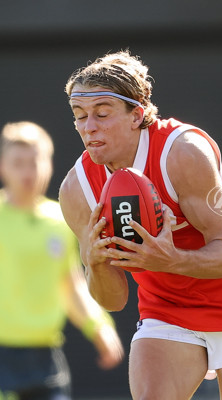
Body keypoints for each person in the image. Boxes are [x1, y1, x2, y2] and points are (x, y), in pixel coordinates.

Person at [58, 51, 222, 400]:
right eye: (79, 116)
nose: (88, 126)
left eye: (102, 114)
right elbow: (114, 300)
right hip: (167, 307)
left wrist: (171, 260)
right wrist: (95, 264)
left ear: (136, 115)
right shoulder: (76, 190)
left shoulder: (182, 151)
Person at [0, 121, 124, 399]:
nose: (27, 172)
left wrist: (99, 327)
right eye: (17, 163)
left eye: (34, 162)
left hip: (46, 359)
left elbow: (72, 285)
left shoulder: (60, 219)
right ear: (2, 166)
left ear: (49, 165)